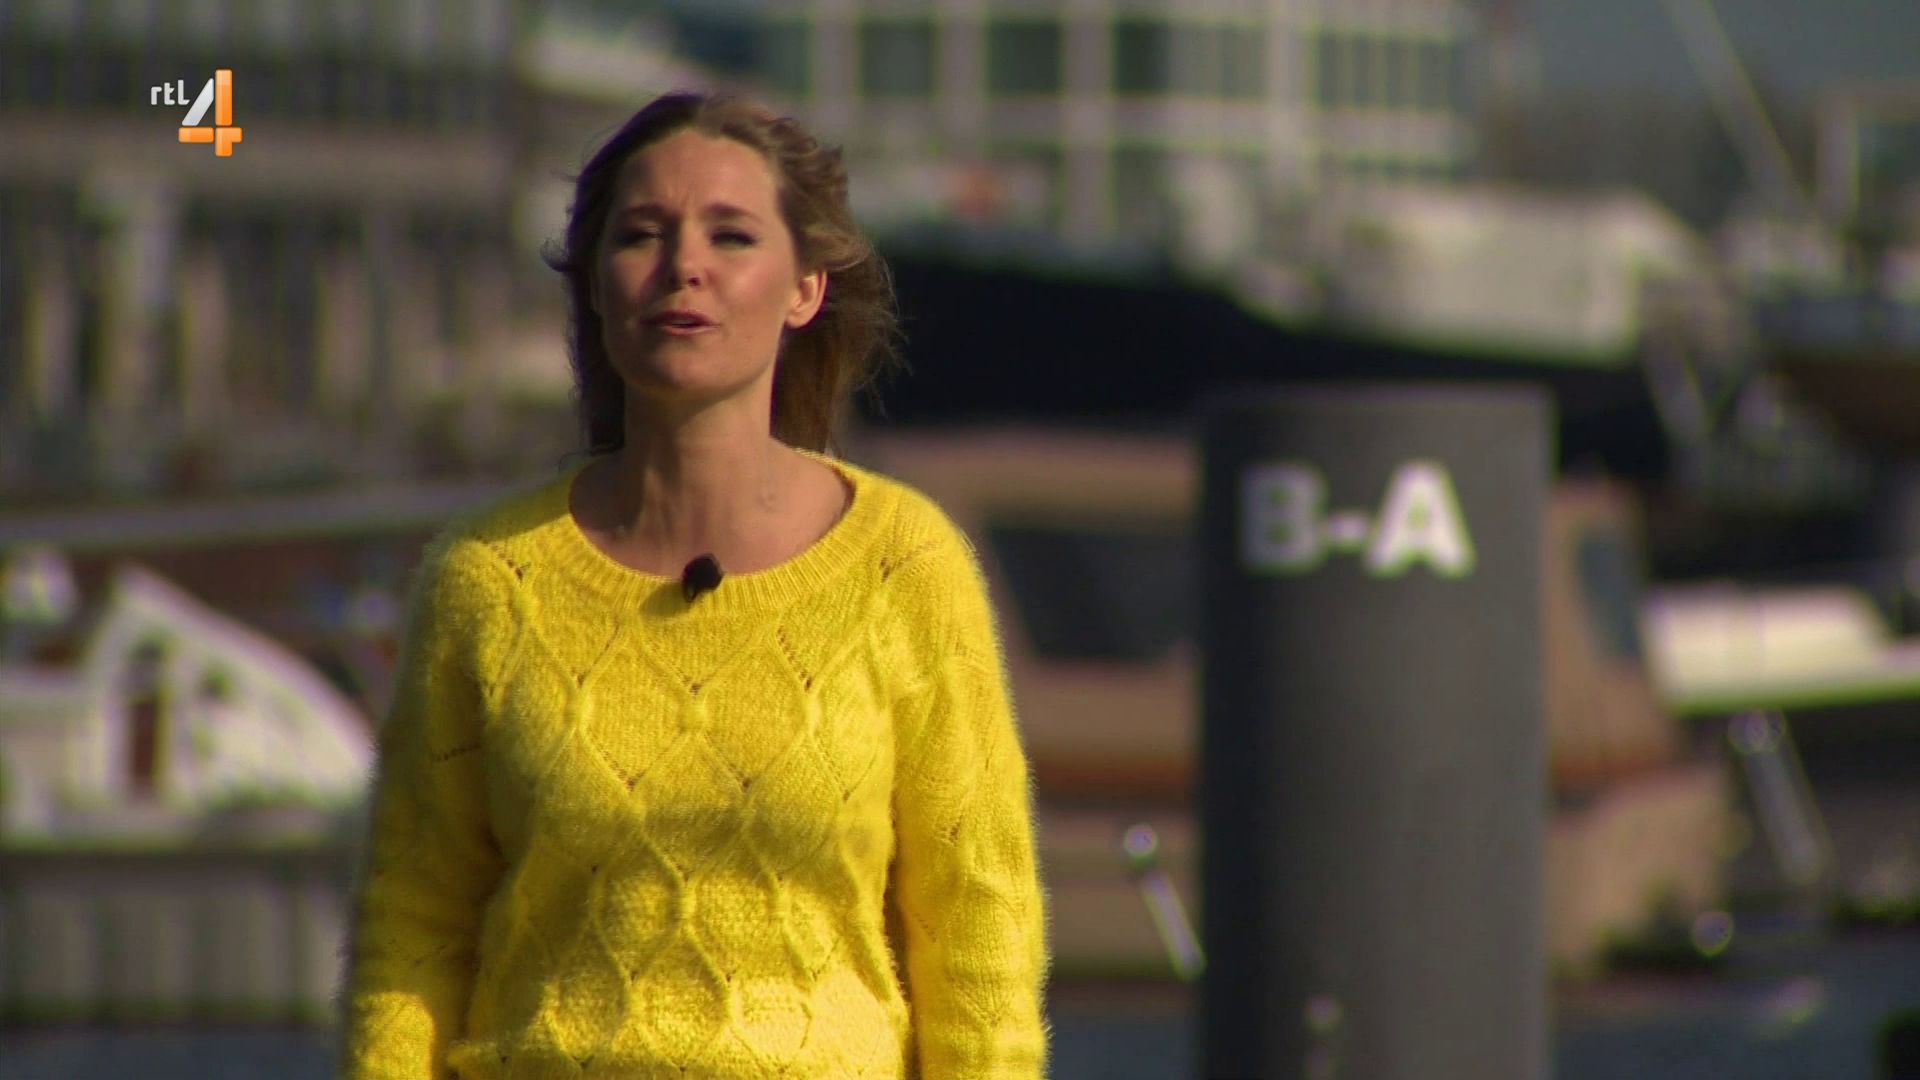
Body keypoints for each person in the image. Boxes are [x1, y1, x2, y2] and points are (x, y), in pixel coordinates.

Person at [335, 91, 1051, 1079]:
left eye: (731, 235)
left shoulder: (903, 564)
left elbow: (979, 934)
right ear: (594, 285)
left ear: (804, 289)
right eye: (641, 235)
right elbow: (413, 924)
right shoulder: (488, 578)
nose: (684, 267)